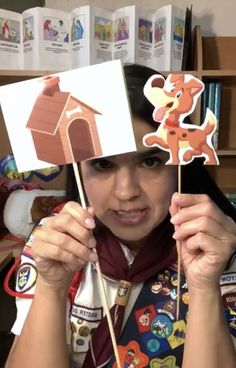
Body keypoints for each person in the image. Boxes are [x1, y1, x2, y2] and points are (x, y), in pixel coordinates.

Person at [5, 64, 236, 368]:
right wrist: (52, 286)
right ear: (79, 170)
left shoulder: (215, 247)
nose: (126, 192)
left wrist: (204, 287)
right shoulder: (55, 240)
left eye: (151, 161)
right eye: (103, 165)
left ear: (180, 162)